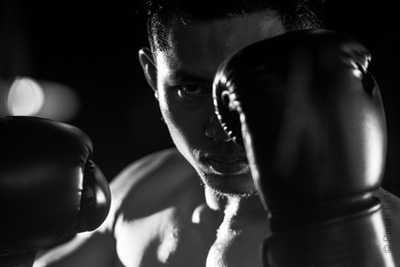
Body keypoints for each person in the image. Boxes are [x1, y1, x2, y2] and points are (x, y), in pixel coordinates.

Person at [33, 0, 400, 266]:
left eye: (251, 90)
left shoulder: (386, 240)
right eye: (191, 89)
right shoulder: (143, 192)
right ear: (152, 77)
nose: (220, 128)